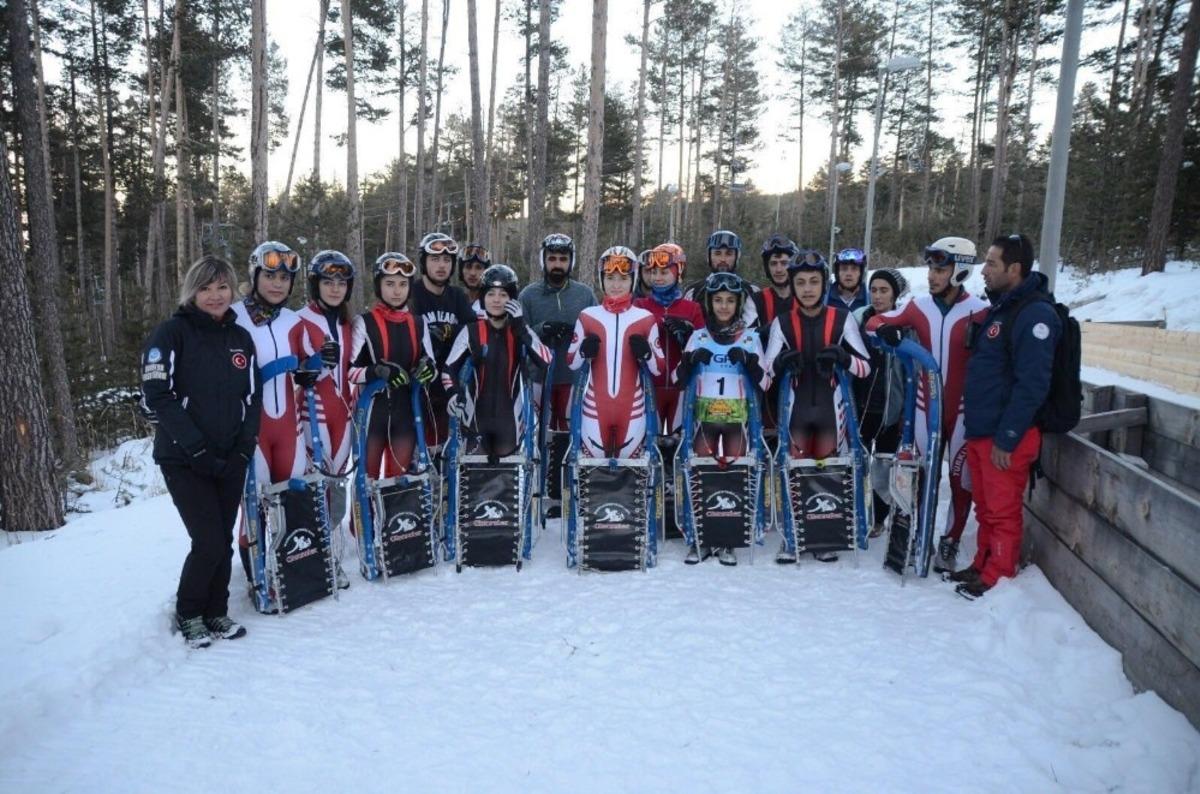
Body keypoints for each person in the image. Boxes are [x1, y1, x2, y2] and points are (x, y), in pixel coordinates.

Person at [142, 256, 260, 648]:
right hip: (183, 458)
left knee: (222, 538)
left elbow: (252, 398)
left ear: (233, 290)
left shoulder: (240, 339)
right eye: (205, 288)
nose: (215, 295)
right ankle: (190, 612)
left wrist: (244, 449)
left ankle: (216, 611)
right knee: (207, 539)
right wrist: (196, 449)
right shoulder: (172, 334)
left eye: (222, 287)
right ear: (192, 291)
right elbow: (158, 395)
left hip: (230, 457)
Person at [864, 237, 989, 571]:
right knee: (918, 474)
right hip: (924, 406)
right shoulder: (919, 306)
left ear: (960, 270)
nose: (933, 275)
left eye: (941, 268)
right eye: (931, 267)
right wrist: (890, 336)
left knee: (961, 480)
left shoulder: (980, 311)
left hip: (962, 410)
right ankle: (917, 533)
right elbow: (874, 323)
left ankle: (949, 540)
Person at [956, 233, 1060, 599]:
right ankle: (983, 563)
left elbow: (1033, 382)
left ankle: (999, 575)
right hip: (983, 429)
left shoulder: (1035, 314)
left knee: (1001, 509)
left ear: (1014, 269)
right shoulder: (1003, 308)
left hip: (1005, 436)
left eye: (992, 264)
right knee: (985, 507)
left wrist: (1009, 435)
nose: (983, 271)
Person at [764, 253, 871, 563]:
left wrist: (843, 357)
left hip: (830, 407)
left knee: (826, 468)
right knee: (793, 469)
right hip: (796, 408)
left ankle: (824, 537)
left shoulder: (842, 318)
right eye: (800, 282)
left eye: (813, 282)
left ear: (824, 283)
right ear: (793, 286)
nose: (807, 289)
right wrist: (782, 362)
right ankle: (793, 535)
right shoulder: (782, 323)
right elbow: (765, 374)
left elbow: (865, 367)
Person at [233, 241, 320, 604]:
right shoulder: (233, 316)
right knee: (253, 505)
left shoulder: (294, 321)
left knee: (292, 499)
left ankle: (294, 567)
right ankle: (256, 575)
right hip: (252, 430)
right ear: (254, 276)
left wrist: (312, 368)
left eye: (285, 277)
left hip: (288, 429)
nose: (277, 284)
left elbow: (310, 365)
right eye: (269, 275)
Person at [675, 271, 770, 566]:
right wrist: (690, 361)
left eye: (730, 301)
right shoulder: (699, 336)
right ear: (709, 303)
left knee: (733, 475)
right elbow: (680, 380)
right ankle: (698, 538)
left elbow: (765, 382)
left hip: (737, 420)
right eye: (718, 300)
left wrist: (752, 363)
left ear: (739, 303)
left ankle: (728, 539)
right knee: (700, 475)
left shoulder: (751, 337)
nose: (724, 306)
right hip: (703, 418)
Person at [443, 265, 552, 460]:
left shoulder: (520, 329)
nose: (496, 300)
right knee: (474, 483)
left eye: (503, 295)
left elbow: (546, 361)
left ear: (512, 299)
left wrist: (521, 327)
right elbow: (448, 370)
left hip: (510, 424)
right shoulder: (471, 331)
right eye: (491, 294)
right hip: (475, 422)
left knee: (508, 483)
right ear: (483, 298)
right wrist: (452, 394)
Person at [566, 246, 665, 459]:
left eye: (623, 278)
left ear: (633, 280)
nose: (616, 285)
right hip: (594, 407)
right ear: (602, 280)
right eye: (610, 277)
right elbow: (571, 362)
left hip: (633, 409)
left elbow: (659, 369)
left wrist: (647, 354)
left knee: (633, 474)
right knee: (591, 473)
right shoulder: (587, 316)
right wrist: (583, 352)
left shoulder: (645, 318)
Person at [350, 253, 438, 478]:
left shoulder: (419, 323)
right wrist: (378, 371)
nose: (397, 291)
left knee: (399, 483)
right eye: (389, 284)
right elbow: (350, 371)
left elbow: (431, 364)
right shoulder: (365, 322)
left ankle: (395, 515)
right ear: (379, 286)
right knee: (365, 481)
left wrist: (427, 369)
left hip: (406, 414)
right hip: (372, 415)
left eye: (402, 284)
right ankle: (360, 515)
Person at [296, 251, 356, 533]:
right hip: (313, 409)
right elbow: (293, 373)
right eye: (328, 282)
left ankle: (331, 538)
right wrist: (314, 364)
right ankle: (312, 541)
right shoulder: (299, 319)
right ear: (315, 284)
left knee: (338, 477)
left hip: (344, 411)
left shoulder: (349, 323)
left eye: (342, 283)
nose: (335, 289)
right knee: (316, 477)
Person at [518, 233, 597, 433]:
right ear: (543, 260)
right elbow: (518, 332)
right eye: (552, 259)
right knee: (537, 433)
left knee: (570, 434)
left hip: (574, 378)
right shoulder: (528, 295)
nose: (557, 264)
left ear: (571, 262)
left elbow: (597, 332)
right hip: (538, 378)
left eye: (563, 259)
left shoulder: (585, 294)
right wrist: (542, 329)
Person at [852, 268, 909, 536]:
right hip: (861, 406)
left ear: (895, 294)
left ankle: (879, 518)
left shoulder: (905, 324)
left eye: (884, 290)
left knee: (883, 467)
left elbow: (911, 372)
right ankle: (855, 513)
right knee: (857, 462)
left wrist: (905, 414)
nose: (877, 296)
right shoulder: (858, 319)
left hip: (891, 410)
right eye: (873, 290)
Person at [408, 232, 476, 449]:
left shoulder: (457, 296)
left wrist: (449, 331)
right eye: (435, 259)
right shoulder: (411, 294)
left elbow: (473, 330)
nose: (441, 265)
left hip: (451, 385)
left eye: (447, 260)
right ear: (424, 262)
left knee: (448, 449)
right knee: (419, 450)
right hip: (418, 383)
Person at [633, 242, 704, 432]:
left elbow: (703, 345)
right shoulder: (640, 305)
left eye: (664, 273)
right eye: (653, 272)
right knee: (650, 443)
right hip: (649, 386)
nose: (658, 278)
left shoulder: (692, 308)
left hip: (681, 388)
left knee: (679, 443)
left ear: (678, 272)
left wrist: (689, 335)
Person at [751, 235, 799, 432]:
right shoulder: (756, 299)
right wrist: (765, 331)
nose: (779, 269)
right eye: (774, 263)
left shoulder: (806, 297)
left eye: (784, 263)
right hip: (766, 381)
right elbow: (746, 337)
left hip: (799, 377)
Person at [683, 229, 758, 326]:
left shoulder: (751, 291)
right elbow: (686, 329)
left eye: (729, 254)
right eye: (717, 253)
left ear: (737, 257)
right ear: (709, 256)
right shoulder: (694, 292)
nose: (723, 259)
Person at [827, 247, 869, 311]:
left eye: (854, 269)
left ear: (861, 273)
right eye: (844, 269)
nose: (849, 273)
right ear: (837, 273)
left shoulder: (871, 300)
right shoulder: (824, 299)